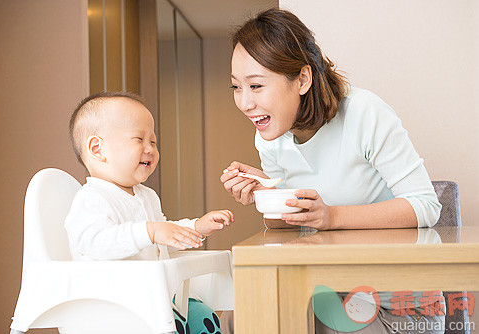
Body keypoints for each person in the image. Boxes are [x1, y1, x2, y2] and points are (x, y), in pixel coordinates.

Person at [220, 8, 443, 334]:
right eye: (236, 88)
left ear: (303, 79)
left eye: (255, 86)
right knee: (243, 317)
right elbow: (285, 226)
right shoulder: (270, 137)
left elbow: (426, 205)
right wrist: (266, 196)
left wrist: (333, 217)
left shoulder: (363, 114)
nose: (244, 103)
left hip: (398, 302)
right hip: (331, 286)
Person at [65, 91, 232, 334]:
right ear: (97, 148)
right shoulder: (91, 198)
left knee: (201, 315)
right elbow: (92, 242)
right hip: (112, 308)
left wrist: (196, 227)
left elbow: (162, 238)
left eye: (153, 141)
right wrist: (149, 231)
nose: (150, 149)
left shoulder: (146, 196)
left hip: (152, 299)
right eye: (139, 139)